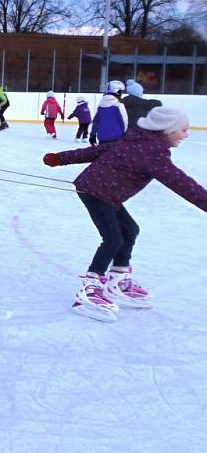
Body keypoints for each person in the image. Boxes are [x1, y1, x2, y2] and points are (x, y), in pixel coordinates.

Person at [43, 106, 207, 323]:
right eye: (182, 130)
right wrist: (60, 158)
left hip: (104, 192)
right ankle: (89, 289)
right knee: (113, 238)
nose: (186, 135)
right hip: (96, 192)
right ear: (167, 131)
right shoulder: (152, 154)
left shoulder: (135, 140)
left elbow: (96, 151)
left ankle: (117, 279)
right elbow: (181, 183)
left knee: (130, 230)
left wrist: (60, 158)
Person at [89, 80, 127, 146]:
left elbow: (96, 121)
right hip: (116, 139)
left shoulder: (101, 105)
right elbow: (124, 121)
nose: (122, 94)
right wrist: (124, 134)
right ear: (117, 91)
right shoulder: (119, 105)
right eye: (121, 91)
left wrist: (93, 134)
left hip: (102, 138)